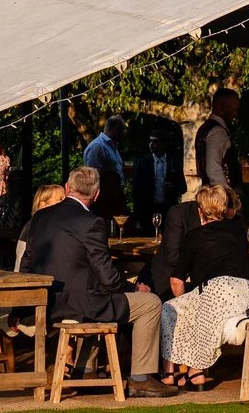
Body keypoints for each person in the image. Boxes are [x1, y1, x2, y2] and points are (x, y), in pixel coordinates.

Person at [17, 167, 176, 398]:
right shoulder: (92, 222)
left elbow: (27, 264)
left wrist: (21, 306)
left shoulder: (40, 217)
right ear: (97, 194)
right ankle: (141, 377)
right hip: (80, 304)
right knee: (150, 302)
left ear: (67, 188)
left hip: (47, 301)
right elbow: (106, 273)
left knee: (97, 295)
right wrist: (134, 288)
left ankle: (86, 369)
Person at [158, 184, 249, 390]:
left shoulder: (195, 236)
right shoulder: (238, 229)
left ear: (200, 211)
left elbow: (176, 280)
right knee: (195, 306)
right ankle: (195, 373)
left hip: (220, 290)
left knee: (171, 310)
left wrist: (182, 302)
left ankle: (175, 373)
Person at [195, 90, 242, 190]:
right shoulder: (218, 131)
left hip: (208, 194)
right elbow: (213, 169)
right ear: (223, 106)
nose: (235, 115)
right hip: (218, 196)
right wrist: (227, 194)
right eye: (234, 110)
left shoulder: (205, 128)